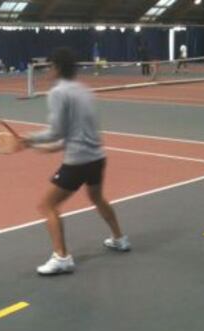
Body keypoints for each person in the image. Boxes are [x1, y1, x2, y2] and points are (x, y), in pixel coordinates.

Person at [25, 47, 130, 276]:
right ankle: (120, 239)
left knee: (47, 206)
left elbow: (56, 131)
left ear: (57, 68)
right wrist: (52, 147)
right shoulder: (85, 91)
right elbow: (79, 131)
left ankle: (62, 257)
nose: (47, 70)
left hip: (78, 162)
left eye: (50, 66)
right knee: (97, 197)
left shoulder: (58, 92)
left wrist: (27, 139)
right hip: (97, 159)